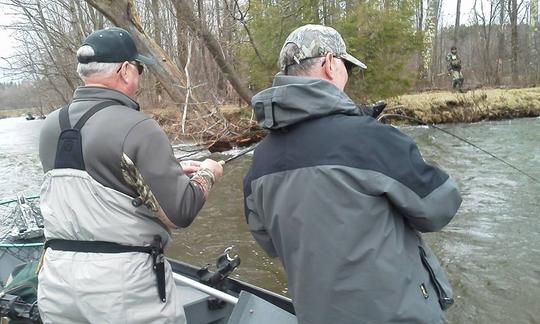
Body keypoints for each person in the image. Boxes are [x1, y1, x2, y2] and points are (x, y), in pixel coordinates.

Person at [243, 24, 462, 324]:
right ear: (330, 64)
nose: (348, 74)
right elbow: (441, 206)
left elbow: (268, 241)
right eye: (347, 66)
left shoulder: (260, 161)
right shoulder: (370, 139)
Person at [37, 27, 223, 324]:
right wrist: (208, 172)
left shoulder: (49, 126)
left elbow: (97, 178)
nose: (138, 76)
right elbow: (180, 212)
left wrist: (165, 169)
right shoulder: (137, 127)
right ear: (125, 70)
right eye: (139, 68)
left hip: (56, 282)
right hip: (122, 290)